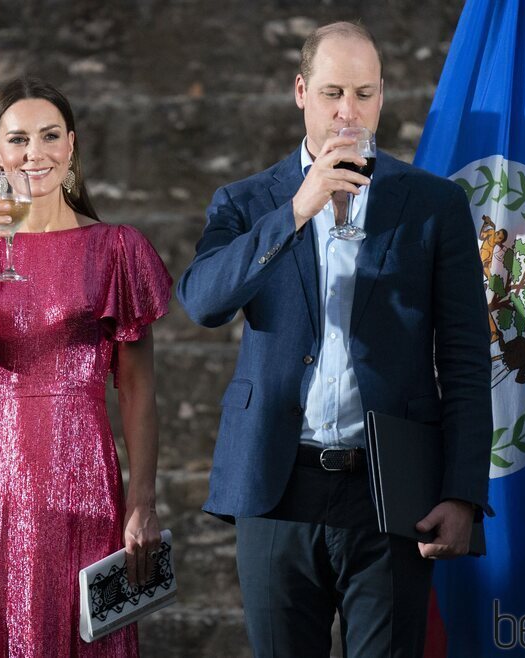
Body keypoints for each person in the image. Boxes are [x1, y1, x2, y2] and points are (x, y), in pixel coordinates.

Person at [177, 21, 492, 658]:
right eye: (332, 94)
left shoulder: (433, 204)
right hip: (277, 484)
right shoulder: (246, 201)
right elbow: (202, 301)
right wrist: (299, 206)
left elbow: (463, 357)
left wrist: (462, 492)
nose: (349, 112)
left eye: (365, 94)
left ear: (382, 95)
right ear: (300, 91)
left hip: (390, 488)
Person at [0, 77, 172, 657]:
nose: (36, 154)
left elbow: (137, 391)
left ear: (72, 146)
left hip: (88, 486)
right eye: (19, 140)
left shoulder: (117, 248)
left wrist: (143, 502)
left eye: (50, 136)